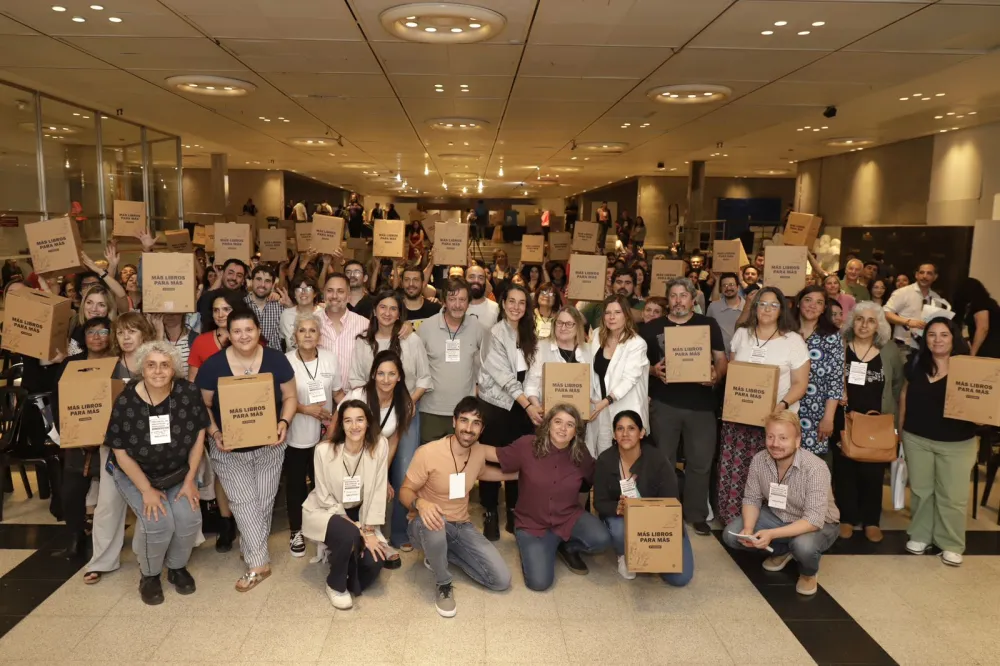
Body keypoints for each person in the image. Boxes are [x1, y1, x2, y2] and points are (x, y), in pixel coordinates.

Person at [196, 309, 297, 591]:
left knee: (262, 504)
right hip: (229, 451)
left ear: (258, 330)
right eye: (237, 331)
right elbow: (201, 405)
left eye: (249, 330)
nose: (243, 336)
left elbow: (290, 396)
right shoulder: (213, 366)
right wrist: (214, 431)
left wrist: (283, 422)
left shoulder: (276, 360)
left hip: (270, 446)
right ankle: (258, 564)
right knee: (243, 504)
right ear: (228, 334)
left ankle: (251, 545)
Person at [106, 341, 209, 605]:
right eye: (151, 365)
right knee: (158, 522)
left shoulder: (187, 393)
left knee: (189, 518)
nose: (158, 371)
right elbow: (120, 452)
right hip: (136, 474)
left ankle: (176, 568)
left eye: (165, 365)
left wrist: (190, 481)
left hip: (178, 473)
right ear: (142, 368)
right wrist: (147, 491)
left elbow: (199, 435)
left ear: (174, 368)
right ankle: (149, 576)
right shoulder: (127, 400)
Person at [399, 397, 514, 617]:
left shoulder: (479, 451)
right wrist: (420, 503)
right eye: (464, 420)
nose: (469, 429)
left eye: (476, 423)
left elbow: (483, 472)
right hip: (425, 524)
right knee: (435, 519)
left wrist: (519, 475)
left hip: (461, 525)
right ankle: (443, 583)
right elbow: (405, 490)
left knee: (501, 580)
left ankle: (441, 554)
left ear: (482, 429)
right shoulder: (428, 452)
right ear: (454, 421)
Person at [487, 405, 611, 590]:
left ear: (575, 431)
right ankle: (540, 548)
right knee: (539, 583)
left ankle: (567, 546)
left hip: (568, 517)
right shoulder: (527, 445)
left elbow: (597, 476)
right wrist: (462, 449)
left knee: (602, 539)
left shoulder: (580, 453)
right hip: (532, 524)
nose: (563, 428)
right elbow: (492, 453)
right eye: (558, 422)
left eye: (569, 425)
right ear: (548, 425)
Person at [717, 287, 810, 525]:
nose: (767, 309)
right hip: (740, 419)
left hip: (776, 422)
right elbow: (735, 374)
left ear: (782, 310)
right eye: (762, 304)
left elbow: (800, 384)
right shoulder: (742, 335)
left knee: (773, 475)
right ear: (754, 307)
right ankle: (734, 520)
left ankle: (773, 524)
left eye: (773, 305)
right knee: (737, 471)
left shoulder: (794, 341)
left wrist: (781, 406)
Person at [642, 278, 727, 535]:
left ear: (693, 299)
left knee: (700, 462)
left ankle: (696, 513)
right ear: (668, 300)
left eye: (683, 295)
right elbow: (638, 364)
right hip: (664, 404)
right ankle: (667, 509)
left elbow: (722, 360)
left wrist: (715, 375)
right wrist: (654, 371)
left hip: (701, 405)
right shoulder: (652, 327)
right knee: (664, 461)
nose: (678, 300)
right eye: (674, 296)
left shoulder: (708, 325)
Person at [722, 411, 840, 595]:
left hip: (819, 523)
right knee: (733, 536)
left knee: (804, 547)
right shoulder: (759, 460)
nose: (775, 444)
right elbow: (752, 498)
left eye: (783, 438)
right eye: (770, 437)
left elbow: (813, 520)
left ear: (797, 440)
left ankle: (808, 573)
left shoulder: (816, 468)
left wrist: (771, 534)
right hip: (778, 515)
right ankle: (784, 550)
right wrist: (748, 528)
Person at [900, 317, 977, 566]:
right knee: (922, 491)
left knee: (952, 496)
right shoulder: (915, 364)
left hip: (957, 442)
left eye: (944, 334)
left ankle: (951, 543)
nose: (937, 340)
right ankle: (921, 535)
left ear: (954, 338)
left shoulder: (968, 368)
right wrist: (900, 433)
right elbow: (904, 397)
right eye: (932, 335)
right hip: (917, 438)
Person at [302, 400, 390, 609]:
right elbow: (323, 496)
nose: (354, 426)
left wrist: (368, 530)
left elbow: (378, 489)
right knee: (349, 533)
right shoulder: (323, 451)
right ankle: (335, 584)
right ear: (341, 424)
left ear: (368, 423)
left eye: (360, 420)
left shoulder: (379, 446)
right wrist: (358, 529)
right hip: (327, 510)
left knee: (375, 561)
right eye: (348, 421)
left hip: (361, 511)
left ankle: (344, 555)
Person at [594, 411, 694, 585]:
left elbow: (671, 502)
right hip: (622, 519)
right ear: (614, 434)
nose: (625, 434)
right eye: (620, 429)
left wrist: (641, 510)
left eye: (631, 428)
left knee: (680, 578)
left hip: (659, 522)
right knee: (618, 527)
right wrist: (617, 508)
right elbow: (599, 502)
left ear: (641, 433)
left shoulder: (657, 460)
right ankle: (624, 554)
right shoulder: (605, 460)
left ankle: (647, 554)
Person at [833, 301, 903, 542]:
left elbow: (897, 385)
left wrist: (896, 424)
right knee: (845, 472)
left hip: (877, 421)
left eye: (871, 320)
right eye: (860, 319)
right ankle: (847, 518)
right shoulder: (841, 346)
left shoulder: (890, 350)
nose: (864, 325)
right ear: (852, 321)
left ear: (879, 325)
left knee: (873, 472)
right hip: (846, 418)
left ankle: (871, 520)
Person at [477, 284, 541, 540]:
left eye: (521, 303)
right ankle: (490, 510)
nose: (516, 307)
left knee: (519, 458)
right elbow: (505, 378)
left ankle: (514, 509)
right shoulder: (494, 333)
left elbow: (533, 372)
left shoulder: (529, 334)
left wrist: (530, 402)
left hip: (521, 406)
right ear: (503, 304)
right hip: (496, 406)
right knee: (492, 457)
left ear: (527, 307)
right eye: (511, 301)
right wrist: (529, 405)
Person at [53, 317, 114, 561]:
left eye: (103, 332)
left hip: (109, 441)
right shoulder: (71, 364)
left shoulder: (115, 364)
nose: (97, 337)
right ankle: (76, 537)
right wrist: (69, 433)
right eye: (92, 332)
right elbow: (60, 401)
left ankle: (110, 541)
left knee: (113, 496)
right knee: (71, 492)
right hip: (76, 440)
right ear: (84, 337)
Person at [285, 311, 345, 557]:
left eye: (312, 330)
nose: (308, 335)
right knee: (296, 485)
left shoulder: (330, 359)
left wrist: (345, 413)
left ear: (319, 335)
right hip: (296, 433)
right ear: (294, 335)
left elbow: (339, 393)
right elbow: (278, 399)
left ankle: (324, 530)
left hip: (326, 435)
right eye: (302, 330)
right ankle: (296, 530)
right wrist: (304, 408)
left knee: (324, 484)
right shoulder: (286, 361)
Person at [416, 277, 485, 444]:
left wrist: (477, 387)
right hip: (432, 411)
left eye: (462, 300)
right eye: (452, 299)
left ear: (469, 302)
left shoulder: (477, 328)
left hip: (465, 414)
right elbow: (415, 365)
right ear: (444, 301)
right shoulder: (426, 327)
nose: (457, 305)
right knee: (431, 463)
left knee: (461, 465)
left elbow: (485, 362)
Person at [586, 294, 649, 459]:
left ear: (626, 315)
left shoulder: (636, 343)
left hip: (624, 406)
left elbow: (629, 379)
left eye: (617, 312)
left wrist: (605, 402)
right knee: (603, 453)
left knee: (626, 457)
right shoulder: (597, 335)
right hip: (600, 407)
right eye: (608, 312)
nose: (611, 317)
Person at [794, 286, 844, 456]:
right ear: (799, 303)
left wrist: (828, 417)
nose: (812, 306)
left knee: (809, 468)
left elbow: (835, 380)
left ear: (824, 309)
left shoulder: (832, 337)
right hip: (784, 409)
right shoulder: (785, 332)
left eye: (819, 302)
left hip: (815, 413)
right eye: (808, 300)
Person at [524, 306, 589, 409]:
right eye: (559, 323)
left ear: (578, 326)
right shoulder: (541, 347)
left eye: (569, 324)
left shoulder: (587, 351)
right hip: (548, 417)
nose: (563, 328)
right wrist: (539, 409)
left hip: (579, 418)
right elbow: (531, 386)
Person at [318, 273, 370, 394]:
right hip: (319, 401)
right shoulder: (311, 323)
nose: (334, 296)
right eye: (330, 291)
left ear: (348, 296)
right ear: (324, 294)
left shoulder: (364, 325)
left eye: (340, 291)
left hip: (353, 398)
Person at [884, 263, 944, 351]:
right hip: (903, 347)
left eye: (929, 273)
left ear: (935, 277)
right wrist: (908, 322)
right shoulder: (902, 292)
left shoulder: (937, 298)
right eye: (922, 272)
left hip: (926, 347)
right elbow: (886, 313)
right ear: (916, 275)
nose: (924, 276)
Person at [952, 277, 1000, 358]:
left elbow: (983, 328)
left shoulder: (980, 304)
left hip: (989, 349)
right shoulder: (989, 303)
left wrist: (973, 353)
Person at [197, 259, 248, 327]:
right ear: (222, 273)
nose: (234, 278)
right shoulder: (209, 298)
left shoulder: (247, 300)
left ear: (243, 280)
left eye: (239, 275)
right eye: (230, 273)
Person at [244, 265, 284, 351]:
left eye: (267, 281)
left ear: (273, 285)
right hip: (246, 358)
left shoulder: (280, 306)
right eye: (258, 279)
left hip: (274, 359)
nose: (262, 285)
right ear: (251, 281)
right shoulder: (241, 305)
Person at [280, 275, 321, 351]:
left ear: (315, 293)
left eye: (308, 289)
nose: (303, 292)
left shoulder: (323, 314)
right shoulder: (286, 315)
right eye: (298, 289)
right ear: (294, 294)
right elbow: (283, 341)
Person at [707, 272, 745, 352]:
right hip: (719, 356)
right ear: (721, 289)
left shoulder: (748, 307)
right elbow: (706, 332)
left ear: (738, 287)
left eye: (731, 285)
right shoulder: (713, 307)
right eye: (724, 285)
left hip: (743, 356)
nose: (728, 288)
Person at [465, 265, 499, 329]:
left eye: (481, 278)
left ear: (485, 283)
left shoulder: (495, 308)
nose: (476, 281)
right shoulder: (455, 306)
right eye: (472, 277)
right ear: (465, 280)